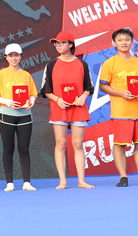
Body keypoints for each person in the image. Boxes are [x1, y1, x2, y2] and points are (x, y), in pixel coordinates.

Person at [98, 28, 138, 187]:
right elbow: (103, 86)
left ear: (132, 42)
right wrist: (121, 93)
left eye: (127, 40)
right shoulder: (109, 63)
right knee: (120, 143)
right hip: (121, 112)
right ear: (114, 43)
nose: (124, 43)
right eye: (120, 40)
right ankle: (123, 177)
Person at [39, 31, 94, 189]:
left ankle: (81, 181)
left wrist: (83, 96)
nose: (58, 45)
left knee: (78, 144)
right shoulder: (51, 65)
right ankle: (62, 181)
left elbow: (89, 87)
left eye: (61, 43)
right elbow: (45, 90)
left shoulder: (82, 64)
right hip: (59, 109)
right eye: (56, 43)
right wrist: (57, 100)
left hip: (78, 109)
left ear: (70, 44)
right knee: (61, 143)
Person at [0, 43, 37, 192]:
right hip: (6, 115)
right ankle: (9, 182)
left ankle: (27, 182)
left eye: (16, 55)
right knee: (8, 148)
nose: (14, 58)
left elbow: (33, 94)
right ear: (6, 57)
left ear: (21, 56)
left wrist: (31, 102)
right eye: (11, 55)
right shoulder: (0, 74)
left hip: (25, 116)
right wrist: (8, 102)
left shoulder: (26, 75)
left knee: (24, 149)